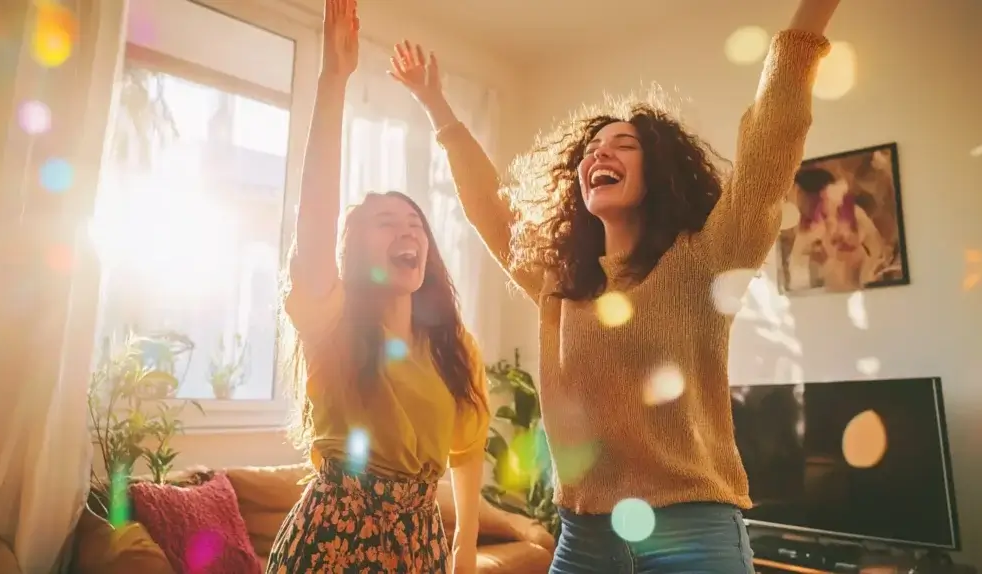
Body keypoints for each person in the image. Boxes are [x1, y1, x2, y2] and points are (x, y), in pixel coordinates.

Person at [391, 0, 841, 570]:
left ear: (658, 172)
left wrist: (806, 28)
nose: (598, 153)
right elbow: (491, 213)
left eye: (623, 144)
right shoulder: (561, 286)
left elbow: (767, 146)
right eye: (591, 150)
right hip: (585, 540)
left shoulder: (705, 260)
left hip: (692, 534)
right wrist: (437, 108)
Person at [267, 1, 489, 572]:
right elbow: (314, 225)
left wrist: (463, 542)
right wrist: (333, 80)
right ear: (355, 253)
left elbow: (466, 450)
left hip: (420, 547)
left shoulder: (454, 348)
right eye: (386, 222)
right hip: (332, 540)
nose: (408, 229)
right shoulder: (333, 324)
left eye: (416, 224)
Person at [788, 167, 887, 291]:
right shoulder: (804, 228)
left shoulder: (854, 214)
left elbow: (877, 250)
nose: (795, 202)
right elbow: (797, 275)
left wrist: (866, 277)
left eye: (798, 194)